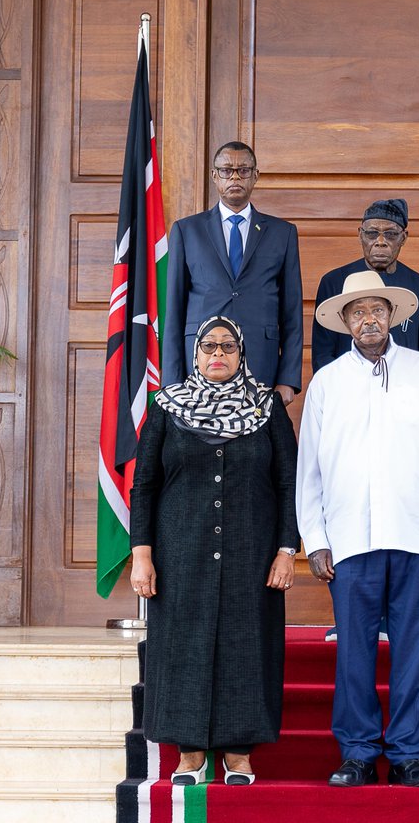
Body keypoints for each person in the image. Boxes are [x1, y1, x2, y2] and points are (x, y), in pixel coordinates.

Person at [297, 269, 419, 789]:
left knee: (415, 651)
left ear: (391, 316)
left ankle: (409, 754)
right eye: (357, 312)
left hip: (418, 538)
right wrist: (317, 537)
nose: (367, 319)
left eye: (376, 309)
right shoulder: (327, 383)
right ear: (345, 322)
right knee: (354, 651)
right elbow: (311, 469)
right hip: (350, 540)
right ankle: (356, 751)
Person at [130, 315, 299, 787]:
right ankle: (190, 752)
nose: (218, 354)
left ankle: (240, 753)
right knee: (183, 646)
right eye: (209, 346)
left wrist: (288, 548)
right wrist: (141, 553)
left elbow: (289, 481)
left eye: (228, 345)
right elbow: (144, 484)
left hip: (253, 551)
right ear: (196, 354)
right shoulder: (167, 406)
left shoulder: (266, 406)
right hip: (180, 551)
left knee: (247, 644)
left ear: (241, 353)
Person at [163, 141, 303, 405]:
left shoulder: (282, 233)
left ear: (255, 176)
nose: (235, 177)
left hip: (261, 362)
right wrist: (172, 379)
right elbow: (174, 310)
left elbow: (292, 312)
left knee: (255, 445)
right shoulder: (187, 230)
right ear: (215, 176)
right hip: (201, 363)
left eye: (243, 170)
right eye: (227, 171)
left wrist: (288, 379)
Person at [311, 198, 419, 372]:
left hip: (404, 389)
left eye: (391, 234)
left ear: (403, 238)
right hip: (349, 388)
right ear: (360, 235)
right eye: (372, 233)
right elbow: (323, 352)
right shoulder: (334, 282)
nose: (381, 241)